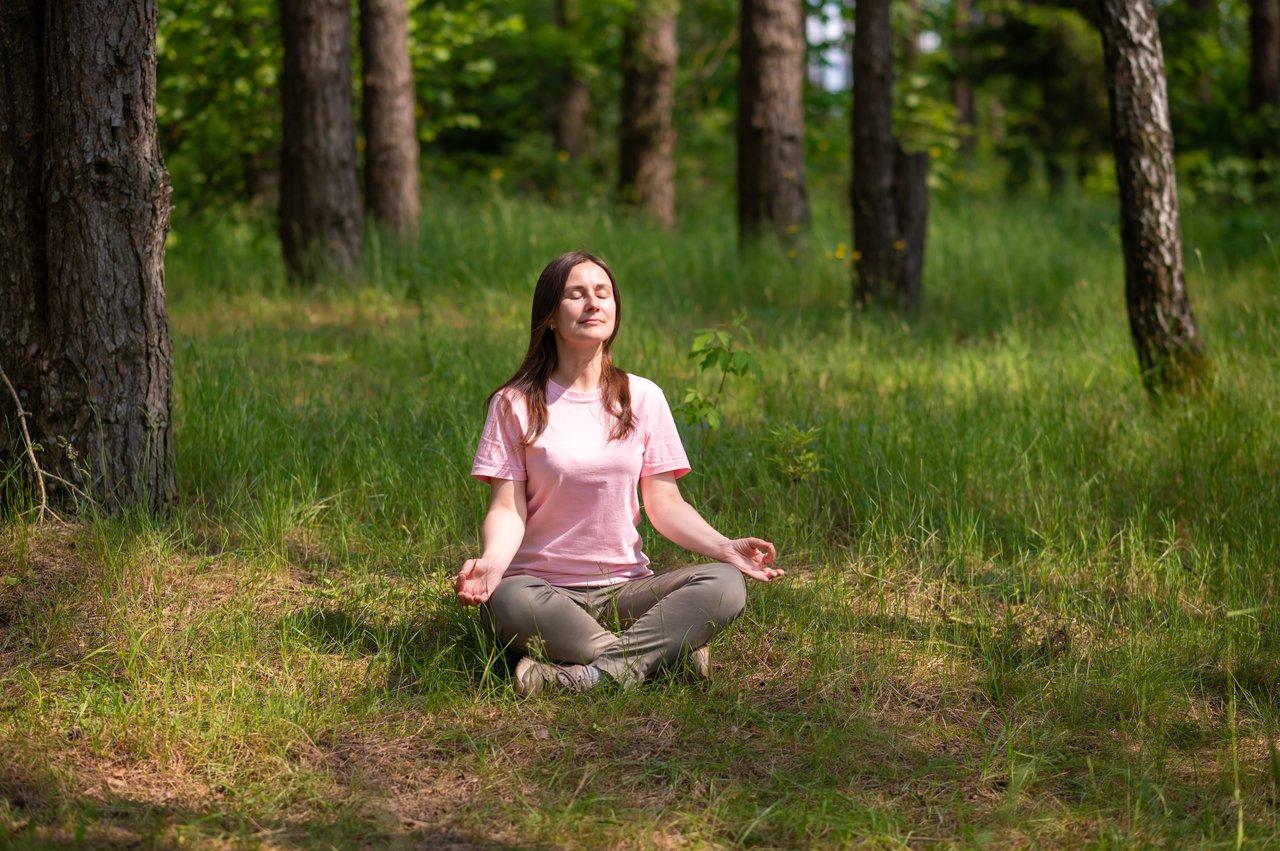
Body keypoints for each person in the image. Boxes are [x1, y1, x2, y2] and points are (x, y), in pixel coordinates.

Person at [456, 250, 784, 696]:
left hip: (626, 593)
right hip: (546, 594)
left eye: (602, 293)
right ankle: (663, 659)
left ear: (615, 309)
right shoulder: (514, 403)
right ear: (550, 315)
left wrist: (724, 547)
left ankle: (590, 675)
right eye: (576, 295)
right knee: (508, 600)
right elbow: (506, 507)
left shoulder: (642, 397)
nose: (593, 303)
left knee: (725, 584)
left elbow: (665, 504)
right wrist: (493, 564)